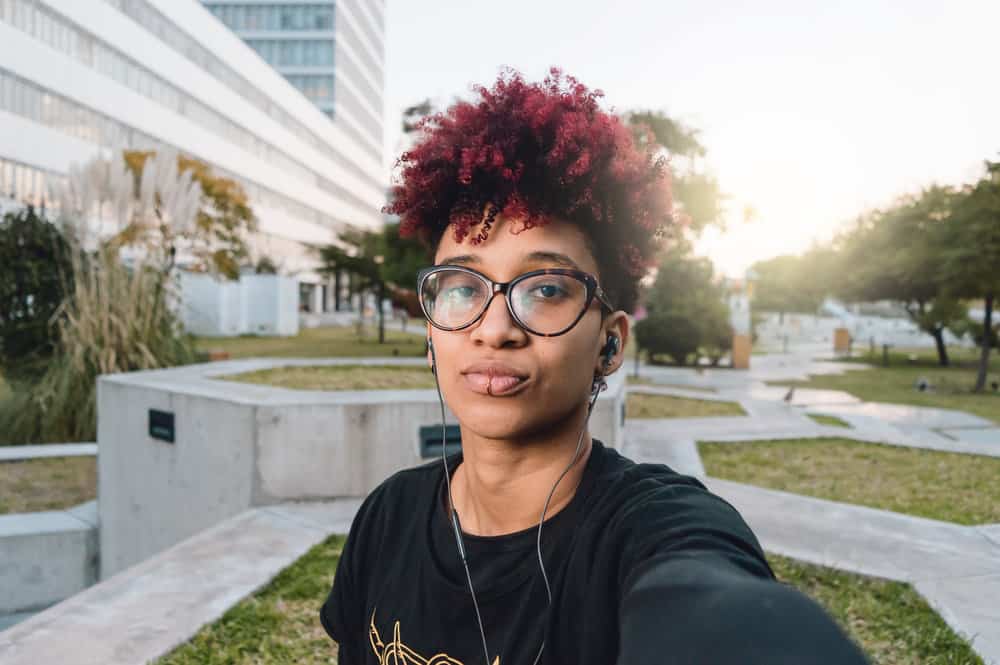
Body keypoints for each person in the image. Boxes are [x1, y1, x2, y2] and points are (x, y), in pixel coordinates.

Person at [320, 67, 871, 665]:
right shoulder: (387, 517)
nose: (496, 329)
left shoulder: (649, 530)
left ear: (609, 343)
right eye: (462, 286)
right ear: (431, 332)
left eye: (547, 288)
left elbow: (720, 614)